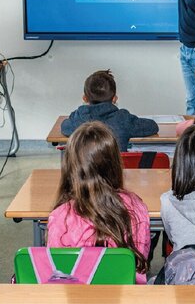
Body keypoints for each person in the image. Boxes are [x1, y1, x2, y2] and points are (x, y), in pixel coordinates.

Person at [47, 121, 151, 283]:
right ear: (115, 162)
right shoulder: (137, 207)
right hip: (126, 293)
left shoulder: (60, 217)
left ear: (70, 167)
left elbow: (56, 272)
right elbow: (141, 258)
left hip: (75, 295)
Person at [60, 70, 158, 152]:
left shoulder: (79, 118)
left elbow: (64, 126)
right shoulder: (123, 119)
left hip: (86, 169)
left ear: (85, 98)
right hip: (115, 169)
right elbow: (152, 126)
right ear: (114, 98)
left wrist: (75, 114)